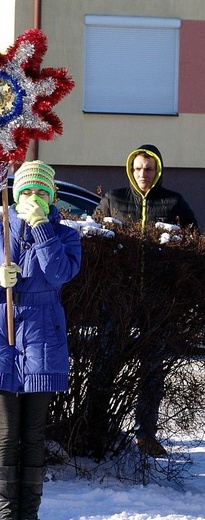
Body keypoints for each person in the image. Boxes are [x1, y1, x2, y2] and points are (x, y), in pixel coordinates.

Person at [0, 160, 81, 520]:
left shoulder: (65, 235)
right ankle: (8, 515)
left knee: (33, 434)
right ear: (15, 195)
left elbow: (60, 273)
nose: (33, 197)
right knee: (6, 432)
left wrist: (42, 229)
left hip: (44, 339)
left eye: (41, 192)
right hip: (1, 337)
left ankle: (28, 514)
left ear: (52, 197)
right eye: (27, 191)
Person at [96, 144, 198, 457]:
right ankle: (98, 429)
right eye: (138, 168)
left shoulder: (173, 201)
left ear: (158, 170)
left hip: (157, 300)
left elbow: (193, 242)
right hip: (120, 297)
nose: (143, 174)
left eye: (149, 169)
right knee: (105, 363)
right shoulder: (115, 198)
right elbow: (95, 239)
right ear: (131, 169)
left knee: (152, 369)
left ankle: (145, 435)